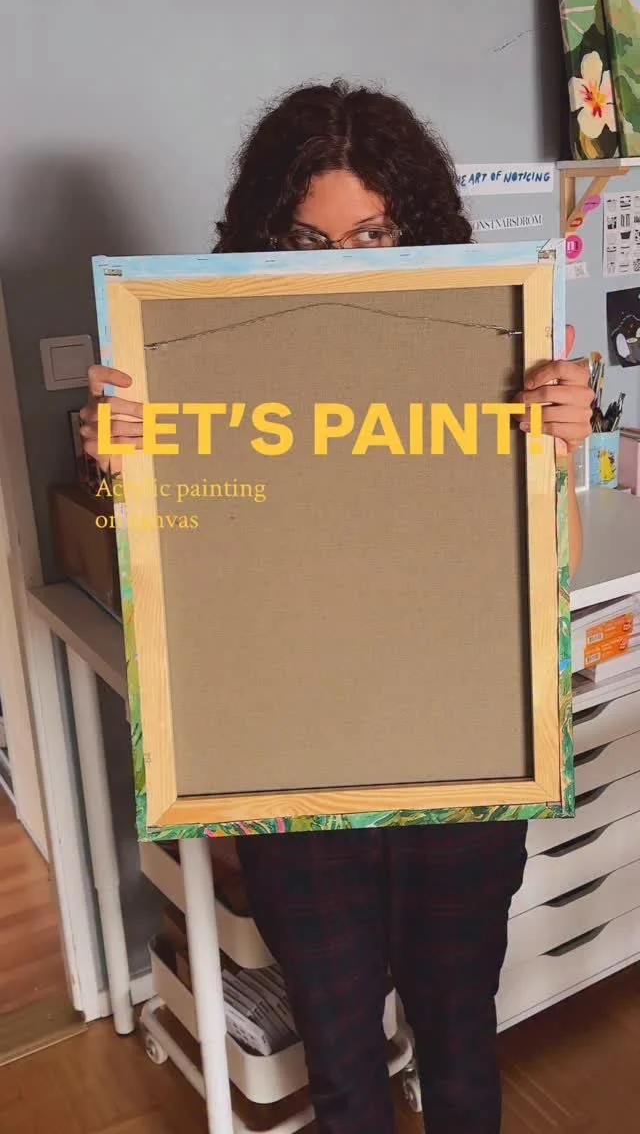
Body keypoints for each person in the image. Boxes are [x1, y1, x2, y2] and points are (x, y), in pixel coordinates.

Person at [80, 81, 593, 1134]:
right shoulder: (212, 372)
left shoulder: (486, 357)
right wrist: (122, 469)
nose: (342, 261)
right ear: (266, 236)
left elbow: (549, 572)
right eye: (309, 239)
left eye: (372, 233)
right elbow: (184, 574)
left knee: (459, 1049)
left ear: (417, 232)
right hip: (301, 779)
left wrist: (560, 452)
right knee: (347, 1070)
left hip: (464, 765)